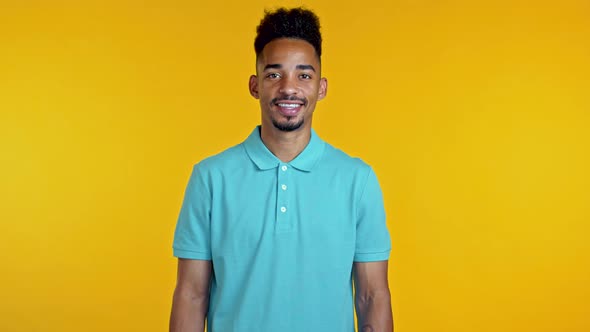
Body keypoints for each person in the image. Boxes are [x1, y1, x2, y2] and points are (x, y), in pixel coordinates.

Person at [170, 7, 393, 332]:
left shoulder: (357, 180)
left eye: (304, 75)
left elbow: (373, 297)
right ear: (255, 85)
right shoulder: (211, 178)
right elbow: (191, 295)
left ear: (321, 87)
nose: (289, 88)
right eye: (274, 74)